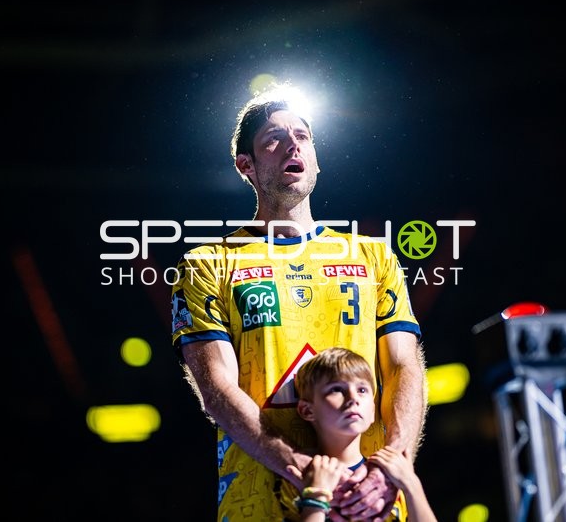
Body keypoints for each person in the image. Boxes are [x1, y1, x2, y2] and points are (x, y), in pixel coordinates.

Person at [171, 82, 428, 521]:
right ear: (245, 166)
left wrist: (390, 470)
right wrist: (300, 468)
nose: (293, 144)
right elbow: (216, 389)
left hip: (371, 499)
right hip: (258, 502)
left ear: (315, 159)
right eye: (273, 139)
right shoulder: (207, 264)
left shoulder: (373, 255)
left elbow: (404, 367)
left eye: (303, 136)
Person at [286, 347, 438, 522]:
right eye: (336, 389)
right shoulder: (300, 475)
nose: (353, 398)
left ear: (373, 410)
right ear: (307, 410)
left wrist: (411, 485)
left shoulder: (390, 474)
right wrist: (316, 497)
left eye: (362, 390)